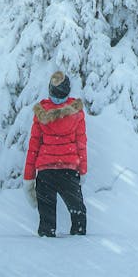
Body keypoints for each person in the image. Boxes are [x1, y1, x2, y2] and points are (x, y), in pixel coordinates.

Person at [23, 71, 87, 237]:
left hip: (45, 173)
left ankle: (45, 254)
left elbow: (33, 147)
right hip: (69, 171)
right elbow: (81, 145)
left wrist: (28, 178)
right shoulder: (77, 113)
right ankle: (81, 250)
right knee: (78, 216)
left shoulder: (41, 113)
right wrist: (83, 170)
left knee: (47, 223)